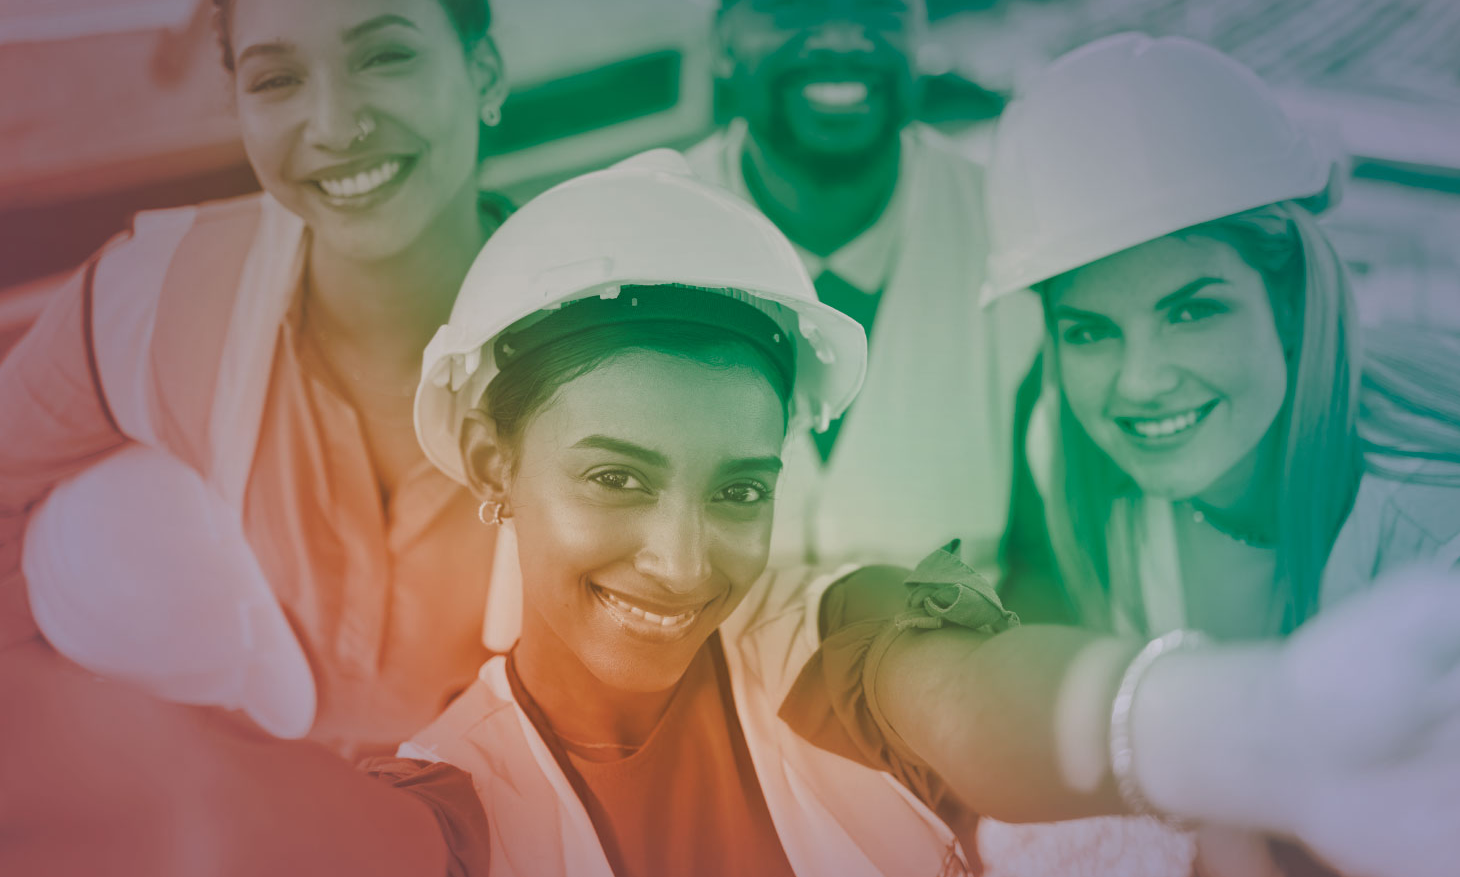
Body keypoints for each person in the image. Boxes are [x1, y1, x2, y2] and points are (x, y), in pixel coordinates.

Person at [377, 150, 1460, 877]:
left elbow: (959, 692)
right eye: (616, 479)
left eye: (740, 489)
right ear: (490, 460)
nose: (682, 557)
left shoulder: (801, 642)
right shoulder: (437, 805)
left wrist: (1229, 724)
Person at [0, 0, 507, 871]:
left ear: (482, 71)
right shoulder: (153, 299)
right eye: (276, 81)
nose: (334, 121)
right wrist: (83, 750)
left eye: (386, 55)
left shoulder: (599, 334)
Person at [981, 33, 1460, 874]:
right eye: (1089, 331)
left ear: (1289, 300)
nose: (1139, 381)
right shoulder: (1068, 450)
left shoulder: (1433, 514)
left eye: (1192, 312)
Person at [680, 0, 1043, 581]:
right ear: (720, 40)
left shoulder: (1019, 237)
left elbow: (1047, 566)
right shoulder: (639, 245)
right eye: (792, 4)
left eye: (881, 4)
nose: (843, 39)